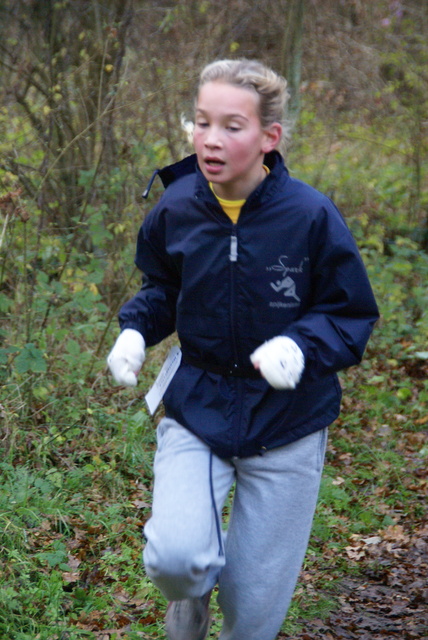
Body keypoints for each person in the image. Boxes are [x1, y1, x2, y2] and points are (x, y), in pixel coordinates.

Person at [107, 59, 379, 640]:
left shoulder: (310, 215)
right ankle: (190, 598)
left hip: (288, 421)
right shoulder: (176, 209)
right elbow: (162, 289)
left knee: (254, 617)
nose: (211, 138)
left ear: (268, 138)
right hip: (197, 408)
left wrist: (300, 347)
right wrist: (134, 330)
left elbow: (349, 311)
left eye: (232, 125)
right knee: (178, 561)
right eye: (202, 122)